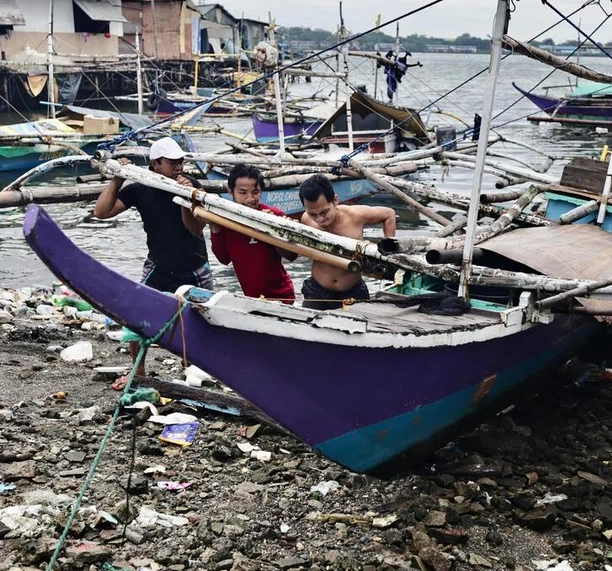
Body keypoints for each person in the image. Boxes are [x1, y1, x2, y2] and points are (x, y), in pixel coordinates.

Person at [93, 136, 211, 385]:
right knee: (135, 313)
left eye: (180, 162)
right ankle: (139, 370)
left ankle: (197, 366)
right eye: (172, 163)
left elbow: (196, 229)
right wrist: (118, 176)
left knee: (206, 320)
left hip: (194, 266)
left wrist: (186, 195)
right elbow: (101, 212)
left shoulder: (192, 184)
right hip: (159, 265)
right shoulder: (140, 188)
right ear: (156, 164)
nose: (178, 167)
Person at [298, 174, 396, 310]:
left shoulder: (355, 215)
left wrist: (388, 249)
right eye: (313, 214)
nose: (320, 219)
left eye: (324, 212)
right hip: (317, 290)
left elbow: (389, 214)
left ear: (335, 201)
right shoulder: (306, 220)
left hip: (353, 290)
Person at [210, 164, 297, 304]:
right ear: (230, 192)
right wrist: (215, 228)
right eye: (243, 193)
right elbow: (224, 259)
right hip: (251, 299)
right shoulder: (224, 220)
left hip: (282, 297)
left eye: (255, 192)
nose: (250, 199)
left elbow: (291, 255)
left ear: (261, 191)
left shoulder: (274, 215)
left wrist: (273, 231)